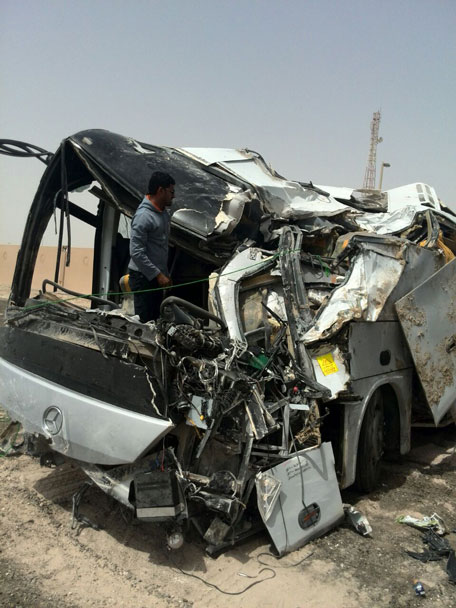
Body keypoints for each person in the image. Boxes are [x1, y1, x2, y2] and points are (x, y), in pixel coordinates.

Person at [128, 171, 175, 322]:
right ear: (161, 190)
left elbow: (160, 246)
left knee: (156, 321)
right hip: (143, 278)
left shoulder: (163, 213)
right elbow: (136, 252)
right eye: (171, 192)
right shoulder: (143, 217)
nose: (173, 196)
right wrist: (158, 275)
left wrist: (164, 273)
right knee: (145, 323)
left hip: (156, 277)